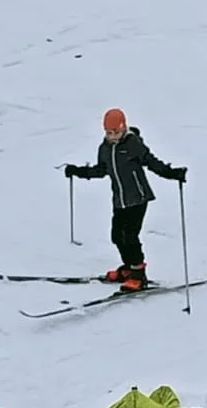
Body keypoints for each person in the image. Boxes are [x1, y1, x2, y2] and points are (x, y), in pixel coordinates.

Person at [63, 108, 187, 291]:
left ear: (124, 128)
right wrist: (78, 171)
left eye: (116, 132)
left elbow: (152, 163)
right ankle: (129, 268)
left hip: (138, 198)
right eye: (109, 133)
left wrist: (172, 173)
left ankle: (139, 275)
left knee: (130, 236)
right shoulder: (104, 148)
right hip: (120, 200)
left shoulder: (133, 144)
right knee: (116, 236)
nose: (112, 136)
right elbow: (101, 170)